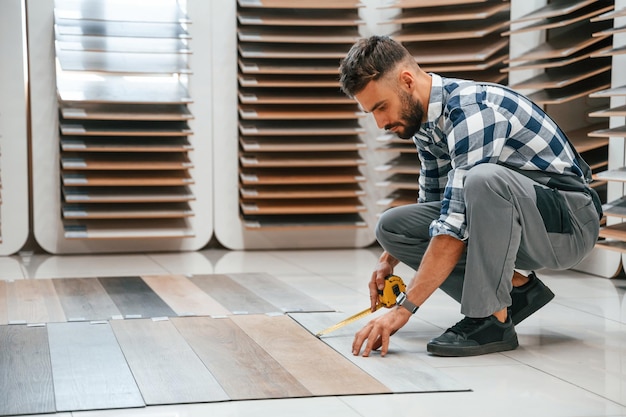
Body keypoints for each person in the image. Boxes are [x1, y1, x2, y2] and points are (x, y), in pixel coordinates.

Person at [339, 35, 602, 357]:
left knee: (483, 180)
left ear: (406, 81)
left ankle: (491, 319)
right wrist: (387, 260)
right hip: (520, 217)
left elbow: (455, 222)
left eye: (381, 107)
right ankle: (517, 292)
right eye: (372, 113)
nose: (381, 123)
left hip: (567, 225)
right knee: (392, 226)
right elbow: (436, 204)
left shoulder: (471, 110)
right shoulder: (425, 124)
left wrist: (403, 311)